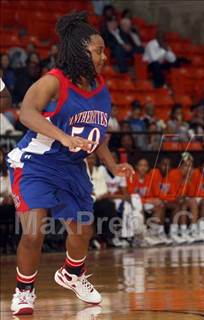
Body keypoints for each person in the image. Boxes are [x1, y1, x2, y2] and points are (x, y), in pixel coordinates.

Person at [6, 12, 134, 315]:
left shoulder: (101, 89)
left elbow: (98, 136)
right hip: (36, 164)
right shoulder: (54, 81)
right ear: (80, 52)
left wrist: (113, 167)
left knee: (83, 230)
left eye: (103, 51)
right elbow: (26, 113)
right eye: (98, 51)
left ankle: (72, 274)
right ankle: (24, 291)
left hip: (72, 168)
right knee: (34, 231)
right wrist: (63, 137)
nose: (104, 57)